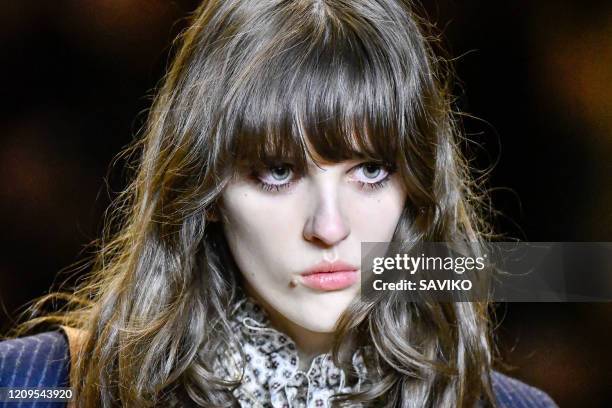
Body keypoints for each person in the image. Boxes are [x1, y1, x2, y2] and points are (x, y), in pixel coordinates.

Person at [0, 0, 558, 407]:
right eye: (277, 171)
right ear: (206, 190)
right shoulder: (38, 385)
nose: (329, 227)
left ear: (416, 186)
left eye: (369, 170)